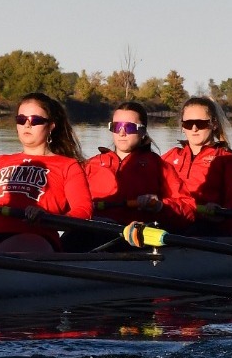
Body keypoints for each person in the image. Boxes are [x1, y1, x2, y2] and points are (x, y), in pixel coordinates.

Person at [0, 92, 93, 253]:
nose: (27, 125)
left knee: (0, 257)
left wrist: (48, 217)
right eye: (21, 120)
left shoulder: (68, 166)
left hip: (37, 235)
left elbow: (83, 211)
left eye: (35, 120)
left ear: (51, 126)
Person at [70, 100, 184, 250]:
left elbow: (187, 209)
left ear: (143, 132)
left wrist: (160, 206)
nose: (121, 133)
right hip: (92, 231)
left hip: (134, 239)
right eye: (116, 127)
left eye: (129, 127)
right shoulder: (91, 165)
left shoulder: (159, 167)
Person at [161, 96, 232, 230]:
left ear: (214, 124)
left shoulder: (227, 160)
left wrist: (222, 213)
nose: (194, 128)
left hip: (207, 228)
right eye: (188, 124)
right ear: (182, 127)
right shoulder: (170, 156)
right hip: (170, 222)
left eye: (201, 123)